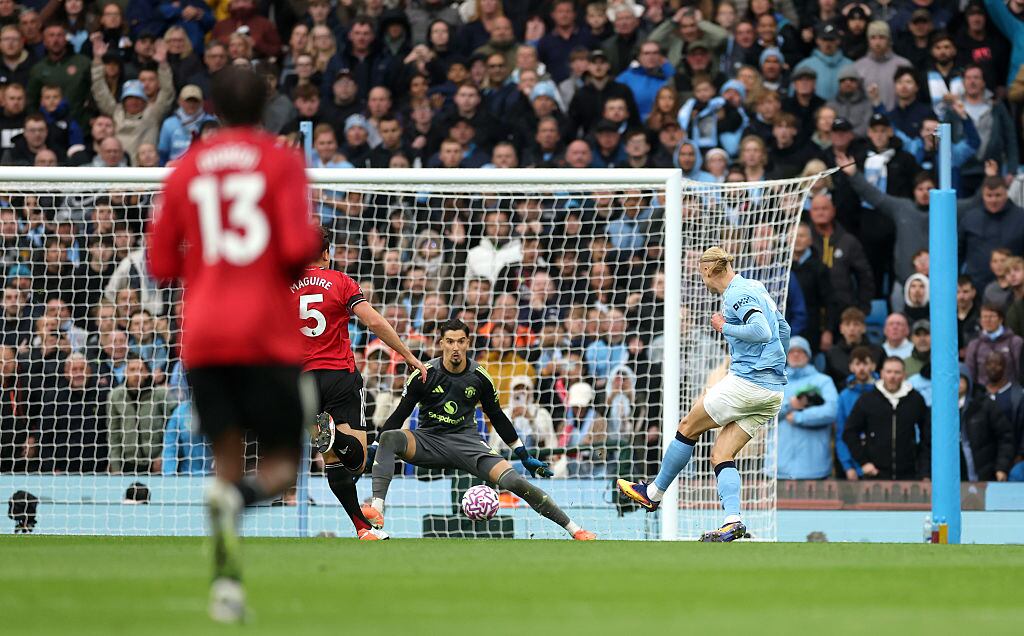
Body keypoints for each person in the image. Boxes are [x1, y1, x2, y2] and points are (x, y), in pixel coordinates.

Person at [146, 66, 321, 623]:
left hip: (203, 337)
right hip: (265, 335)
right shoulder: (280, 162)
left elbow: (160, 263)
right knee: (282, 466)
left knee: (225, 463)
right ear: (266, 106)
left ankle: (226, 587)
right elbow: (299, 250)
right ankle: (239, 502)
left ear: (213, 108)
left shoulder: (186, 167)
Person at [617, 247, 790, 542]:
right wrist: (773, 364)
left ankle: (653, 492)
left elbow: (762, 331)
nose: (702, 279)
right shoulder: (756, 286)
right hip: (772, 391)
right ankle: (733, 520)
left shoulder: (736, 294)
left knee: (687, 427)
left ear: (708, 270)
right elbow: (783, 329)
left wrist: (724, 327)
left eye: (700, 273)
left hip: (747, 383)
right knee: (721, 454)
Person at [369, 318, 596, 541]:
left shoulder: (479, 376)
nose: (455, 347)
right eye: (450, 341)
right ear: (441, 343)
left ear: (468, 343)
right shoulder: (424, 374)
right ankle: (377, 511)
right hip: (429, 441)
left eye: (460, 341)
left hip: (467, 443)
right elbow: (399, 414)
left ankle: (575, 529)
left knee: (515, 482)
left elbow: (497, 416)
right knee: (389, 438)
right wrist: (376, 447)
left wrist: (523, 455)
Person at [296, 227, 427, 541]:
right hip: (339, 375)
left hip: (302, 380)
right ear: (327, 253)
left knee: (332, 462)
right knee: (356, 462)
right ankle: (362, 523)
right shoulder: (341, 281)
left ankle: (362, 528)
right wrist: (407, 354)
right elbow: (373, 321)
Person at [843, 356, 931, 479]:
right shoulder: (867, 399)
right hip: (875, 474)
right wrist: (863, 462)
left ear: (904, 375)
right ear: (882, 374)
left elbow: (927, 436)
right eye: (889, 372)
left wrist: (924, 471)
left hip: (909, 474)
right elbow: (849, 432)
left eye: (897, 372)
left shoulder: (915, 400)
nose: (892, 376)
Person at [776, 336, 838, 480]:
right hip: (778, 467)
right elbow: (763, 414)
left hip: (815, 467)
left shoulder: (823, 381)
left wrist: (799, 417)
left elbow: (831, 411)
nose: (796, 354)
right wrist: (789, 405)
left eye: (801, 351)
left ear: (808, 356)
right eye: (791, 351)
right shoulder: (776, 382)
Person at [958, 365, 1014, 482]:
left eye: (961, 378)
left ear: (968, 381)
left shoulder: (985, 404)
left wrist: (1001, 467)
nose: (957, 383)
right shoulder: (940, 409)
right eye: (953, 379)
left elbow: (1005, 437)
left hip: (985, 474)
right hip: (955, 476)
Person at [836, 346, 877, 480]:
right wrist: (848, 466)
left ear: (873, 366)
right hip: (854, 465)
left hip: (879, 464)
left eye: (865, 363)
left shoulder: (881, 392)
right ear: (851, 367)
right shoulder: (844, 396)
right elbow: (841, 434)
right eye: (857, 364)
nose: (861, 368)